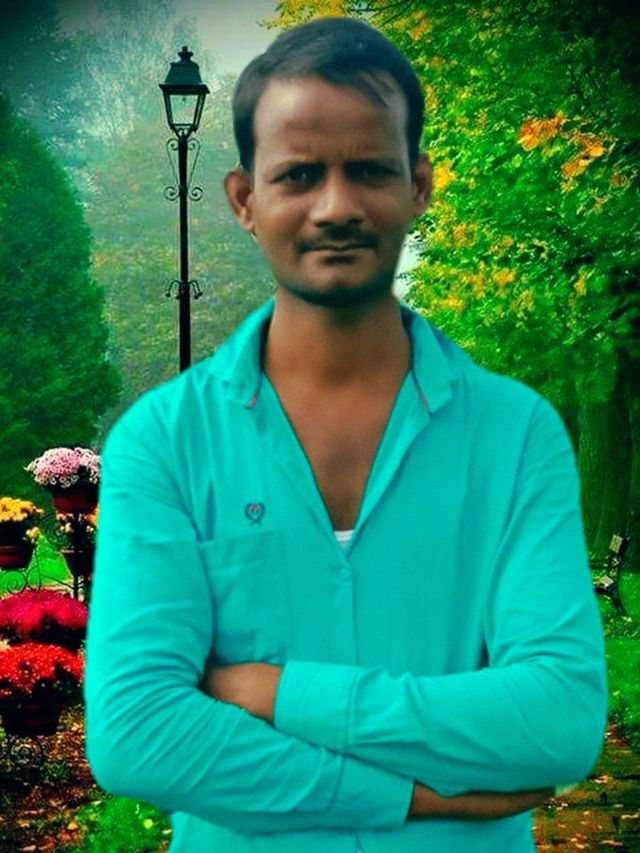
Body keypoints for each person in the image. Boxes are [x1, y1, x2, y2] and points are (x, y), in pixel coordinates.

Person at [84, 17, 608, 853]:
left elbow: (558, 722)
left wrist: (274, 691)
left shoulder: (517, 436)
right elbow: (138, 734)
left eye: (368, 169)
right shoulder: (163, 441)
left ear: (418, 185)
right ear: (244, 200)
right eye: (299, 175)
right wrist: (406, 798)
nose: (336, 206)